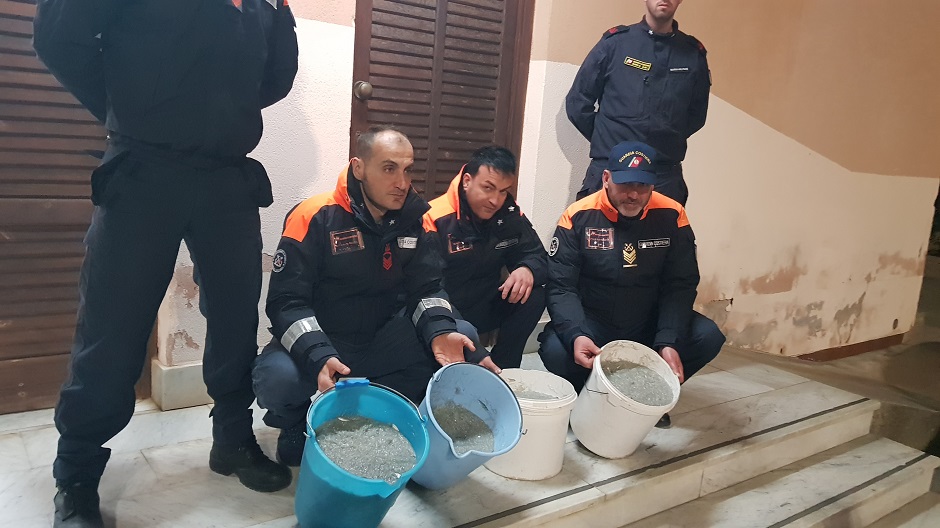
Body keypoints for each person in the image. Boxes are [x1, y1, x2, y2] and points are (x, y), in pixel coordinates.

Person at [33, 0, 299, 525]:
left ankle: (231, 440)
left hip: (227, 178)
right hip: (142, 169)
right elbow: (58, 35)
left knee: (235, 318)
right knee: (112, 326)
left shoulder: (265, 6)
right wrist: (127, 106)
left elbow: (274, 80)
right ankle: (77, 473)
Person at [252, 126, 500, 467]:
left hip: (382, 338)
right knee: (277, 378)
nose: (402, 182)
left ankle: (376, 406)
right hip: (327, 339)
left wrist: (441, 331)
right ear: (359, 168)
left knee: (461, 335)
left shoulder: (416, 220)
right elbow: (286, 303)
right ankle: (295, 423)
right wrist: (318, 354)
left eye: (407, 170)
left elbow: (427, 290)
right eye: (389, 168)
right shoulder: (313, 216)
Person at [538, 141, 724, 428]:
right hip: (595, 320)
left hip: (647, 321)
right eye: (625, 185)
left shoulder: (672, 214)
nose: (634, 195)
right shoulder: (577, 216)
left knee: (707, 336)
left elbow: (680, 283)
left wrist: (668, 340)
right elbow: (562, 287)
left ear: (653, 184)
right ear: (606, 178)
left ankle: (647, 398)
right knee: (554, 348)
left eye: (642, 186)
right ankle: (593, 398)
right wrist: (577, 334)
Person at [566, 0, 710, 205]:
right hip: (611, 173)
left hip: (663, 178)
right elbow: (578, 103)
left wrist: (663, 140)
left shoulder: (692, 54)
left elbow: (696, 115)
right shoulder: (615, 44)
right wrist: (609, 141)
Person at [423, 146, 548, 369]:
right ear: (467, 181)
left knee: (535, 294)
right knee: (460, 335)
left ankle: (505, 367)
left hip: (486, 302)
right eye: (488, 188)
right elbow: (428, 287)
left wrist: (527, 269)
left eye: (503, 191)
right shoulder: (434, 218)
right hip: (446, 308)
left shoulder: (509, 214)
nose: (495, 200)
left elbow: (537, 255)